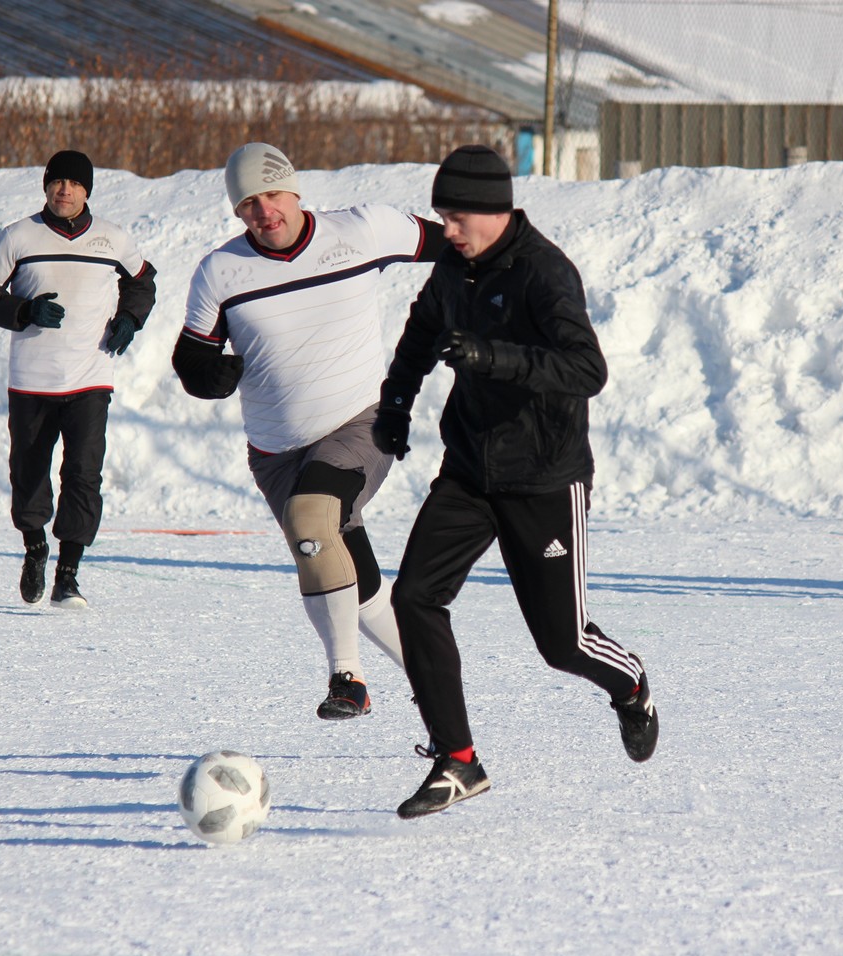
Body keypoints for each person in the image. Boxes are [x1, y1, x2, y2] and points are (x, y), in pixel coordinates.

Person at [372, 144, 658, 820]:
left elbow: (587, 370)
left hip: (543, 479)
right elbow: (421, 331)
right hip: (469, 470)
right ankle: (458, 760)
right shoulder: (453, 265)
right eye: (442, 213)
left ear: (495, 210)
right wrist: (395, 404)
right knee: (414, 598)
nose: (446, 227)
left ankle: (631, 683)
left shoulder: (543, 274)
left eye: (457, 214)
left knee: (562, 644)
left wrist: (493, 357)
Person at [173, 142, 446, 718]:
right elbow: (192, 357)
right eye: (247, 204)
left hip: (361, 420)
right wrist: (208, 374)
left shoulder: (363, 231)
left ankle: (347, 679)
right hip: (274, 451)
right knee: (351, 572)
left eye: (271, 194)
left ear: (294, 190)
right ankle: (433, 683)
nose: (263, 212)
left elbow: (460, 247)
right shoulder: (220, 271)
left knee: (312, 519)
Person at [0, 150, 157, 609]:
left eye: (74, 183)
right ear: (46, 186)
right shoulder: (18, 237)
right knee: (28, 472)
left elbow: (143, 281)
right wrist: (24, 310)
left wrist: (130, 319)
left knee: (83, 475)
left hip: (91, 376)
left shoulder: (112, 239)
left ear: (87, 189)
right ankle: (35, 547)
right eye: (57, 182)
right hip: (32, 380)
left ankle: (68, 575)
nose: (65, 190)